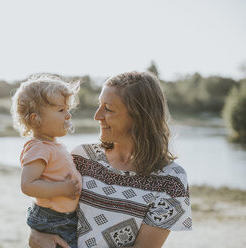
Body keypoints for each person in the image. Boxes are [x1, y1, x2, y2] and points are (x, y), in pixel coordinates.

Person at [29, 71, 192, 248]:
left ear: (139, 117)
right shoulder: (82, 157)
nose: (97, 116)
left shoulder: (171, 180)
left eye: (108, 108)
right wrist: (36, 235)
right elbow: (47, 212)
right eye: (99, 105)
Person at [11, 74, 83, 248]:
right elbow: (28, 185)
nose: (68, 116)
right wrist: (62, 188)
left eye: (67, 110)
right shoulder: (38, 148)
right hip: (53, 219)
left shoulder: (52, 145)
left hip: (63, 217)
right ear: (36, 118)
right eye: (61, 110)